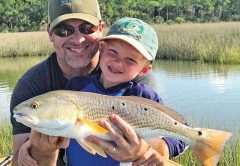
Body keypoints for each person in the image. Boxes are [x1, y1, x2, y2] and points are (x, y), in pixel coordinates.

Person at [10, 0, 172, 166]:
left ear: (101, 29)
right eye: (63, 30)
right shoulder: (31, 84)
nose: (78, 39)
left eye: (87, 28)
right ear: (50, 33)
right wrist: (39, 152)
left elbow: (160, 129)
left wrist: (156, 150)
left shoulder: (134, 75)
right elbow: (18, 161)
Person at [65, 17, 188, 166]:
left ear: (144, 70)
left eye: (130, 60)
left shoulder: (144, 95)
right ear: (102, 49)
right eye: (113, 52)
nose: (118, 63)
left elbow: (183, 132)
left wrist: (164, 148)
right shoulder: (76, 86)